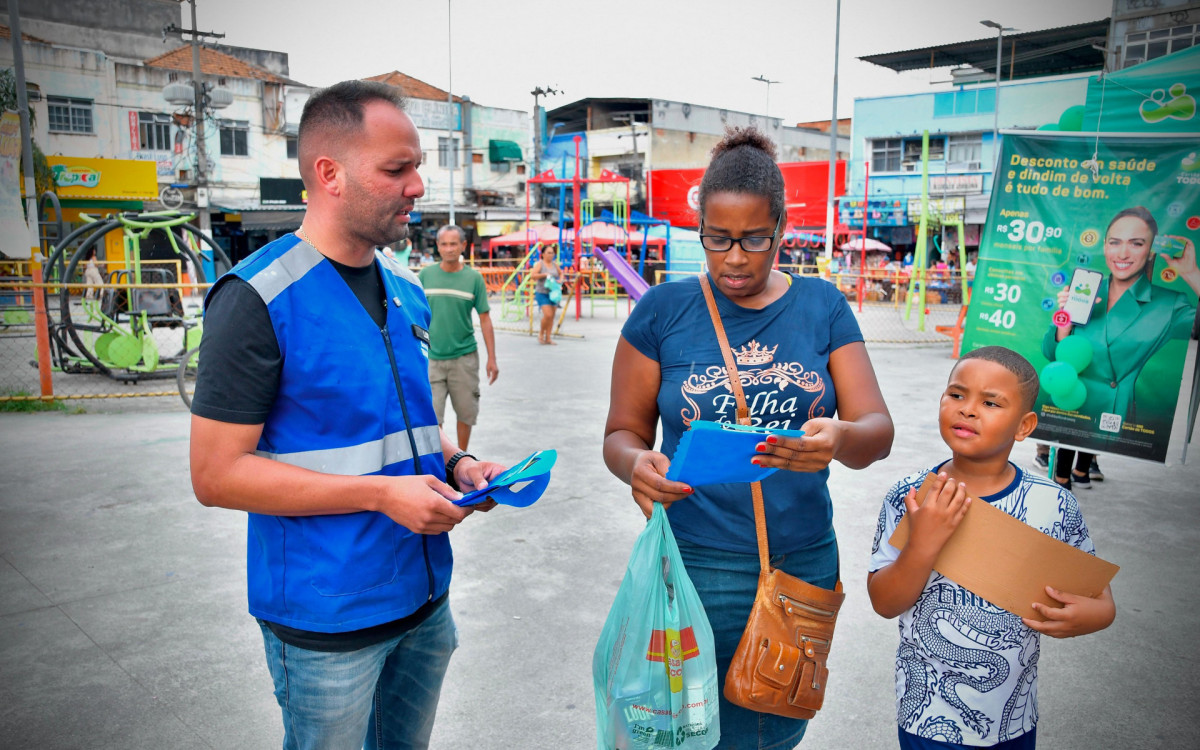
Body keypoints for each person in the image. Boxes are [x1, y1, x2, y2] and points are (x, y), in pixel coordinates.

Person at [187, 80, 507, 750]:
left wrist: (460, 462)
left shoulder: (406, 289)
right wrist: (379, 495)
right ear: (328, 174)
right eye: (397, 169)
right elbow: (216, 477)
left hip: (422, 602)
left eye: (417, 165)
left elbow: (412, 424)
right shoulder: (256, 301)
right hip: (328, 622)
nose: (417, 185)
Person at [603, 126, 894, 748]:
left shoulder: (823, 307)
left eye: (755, 239)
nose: (735, 258)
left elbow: (877, 431)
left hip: (800, 564)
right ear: (700, 230)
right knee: (685, 729)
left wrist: (840, 436)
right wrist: (636, 464)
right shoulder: (661, 311)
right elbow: (622, 432)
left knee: (774, 727)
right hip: (693, 563)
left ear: (782, 229)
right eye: (718, 239)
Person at [868, 346, 1116, 749]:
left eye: (990, 402)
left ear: (1024, 425)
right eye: (957, 394)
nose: (967, 409)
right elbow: (883, 601)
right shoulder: (910, 496)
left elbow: (1099, 598)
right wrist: (923, 544)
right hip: (926, 718)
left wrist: (1095, 615)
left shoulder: (1053, 504)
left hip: (1013, 719)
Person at [1047, 206, 1199, 428]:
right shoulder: (1086, 291)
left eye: (1136, 243)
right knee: (1063, 452)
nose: (1122, 254)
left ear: (1151, 251)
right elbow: (1052, 355)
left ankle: (1086, 464)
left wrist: (1192, 272)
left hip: (1113, 411)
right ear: (1105, 246)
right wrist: (1064, 326)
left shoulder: (1169, 304)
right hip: (1071, 400)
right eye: (1115, 242)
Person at [419, 224, 499, 451]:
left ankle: (461, 456)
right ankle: (442, 461)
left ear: (463, 245)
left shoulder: (473, 278)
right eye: (444, 244)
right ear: (437, 246)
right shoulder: (425, 275)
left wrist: (492, 358)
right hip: (431, 358)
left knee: (466, 412)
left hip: (464, 357)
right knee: (433, 415)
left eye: (454, 244)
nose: (449, 249)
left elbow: (485, 319)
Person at [530, 245, 562, 345]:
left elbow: (561, 273)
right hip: (542, 293)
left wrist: (560, 280)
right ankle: (541, 333)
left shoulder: (554, 264)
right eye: (548, 252)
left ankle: (548, 337)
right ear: (543, 254)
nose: (550, 255)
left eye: (552, 253)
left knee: (552, 316)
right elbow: (533, 276)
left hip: (553, 293)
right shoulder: (540, 264)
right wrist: (544, 274)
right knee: (547, 315)